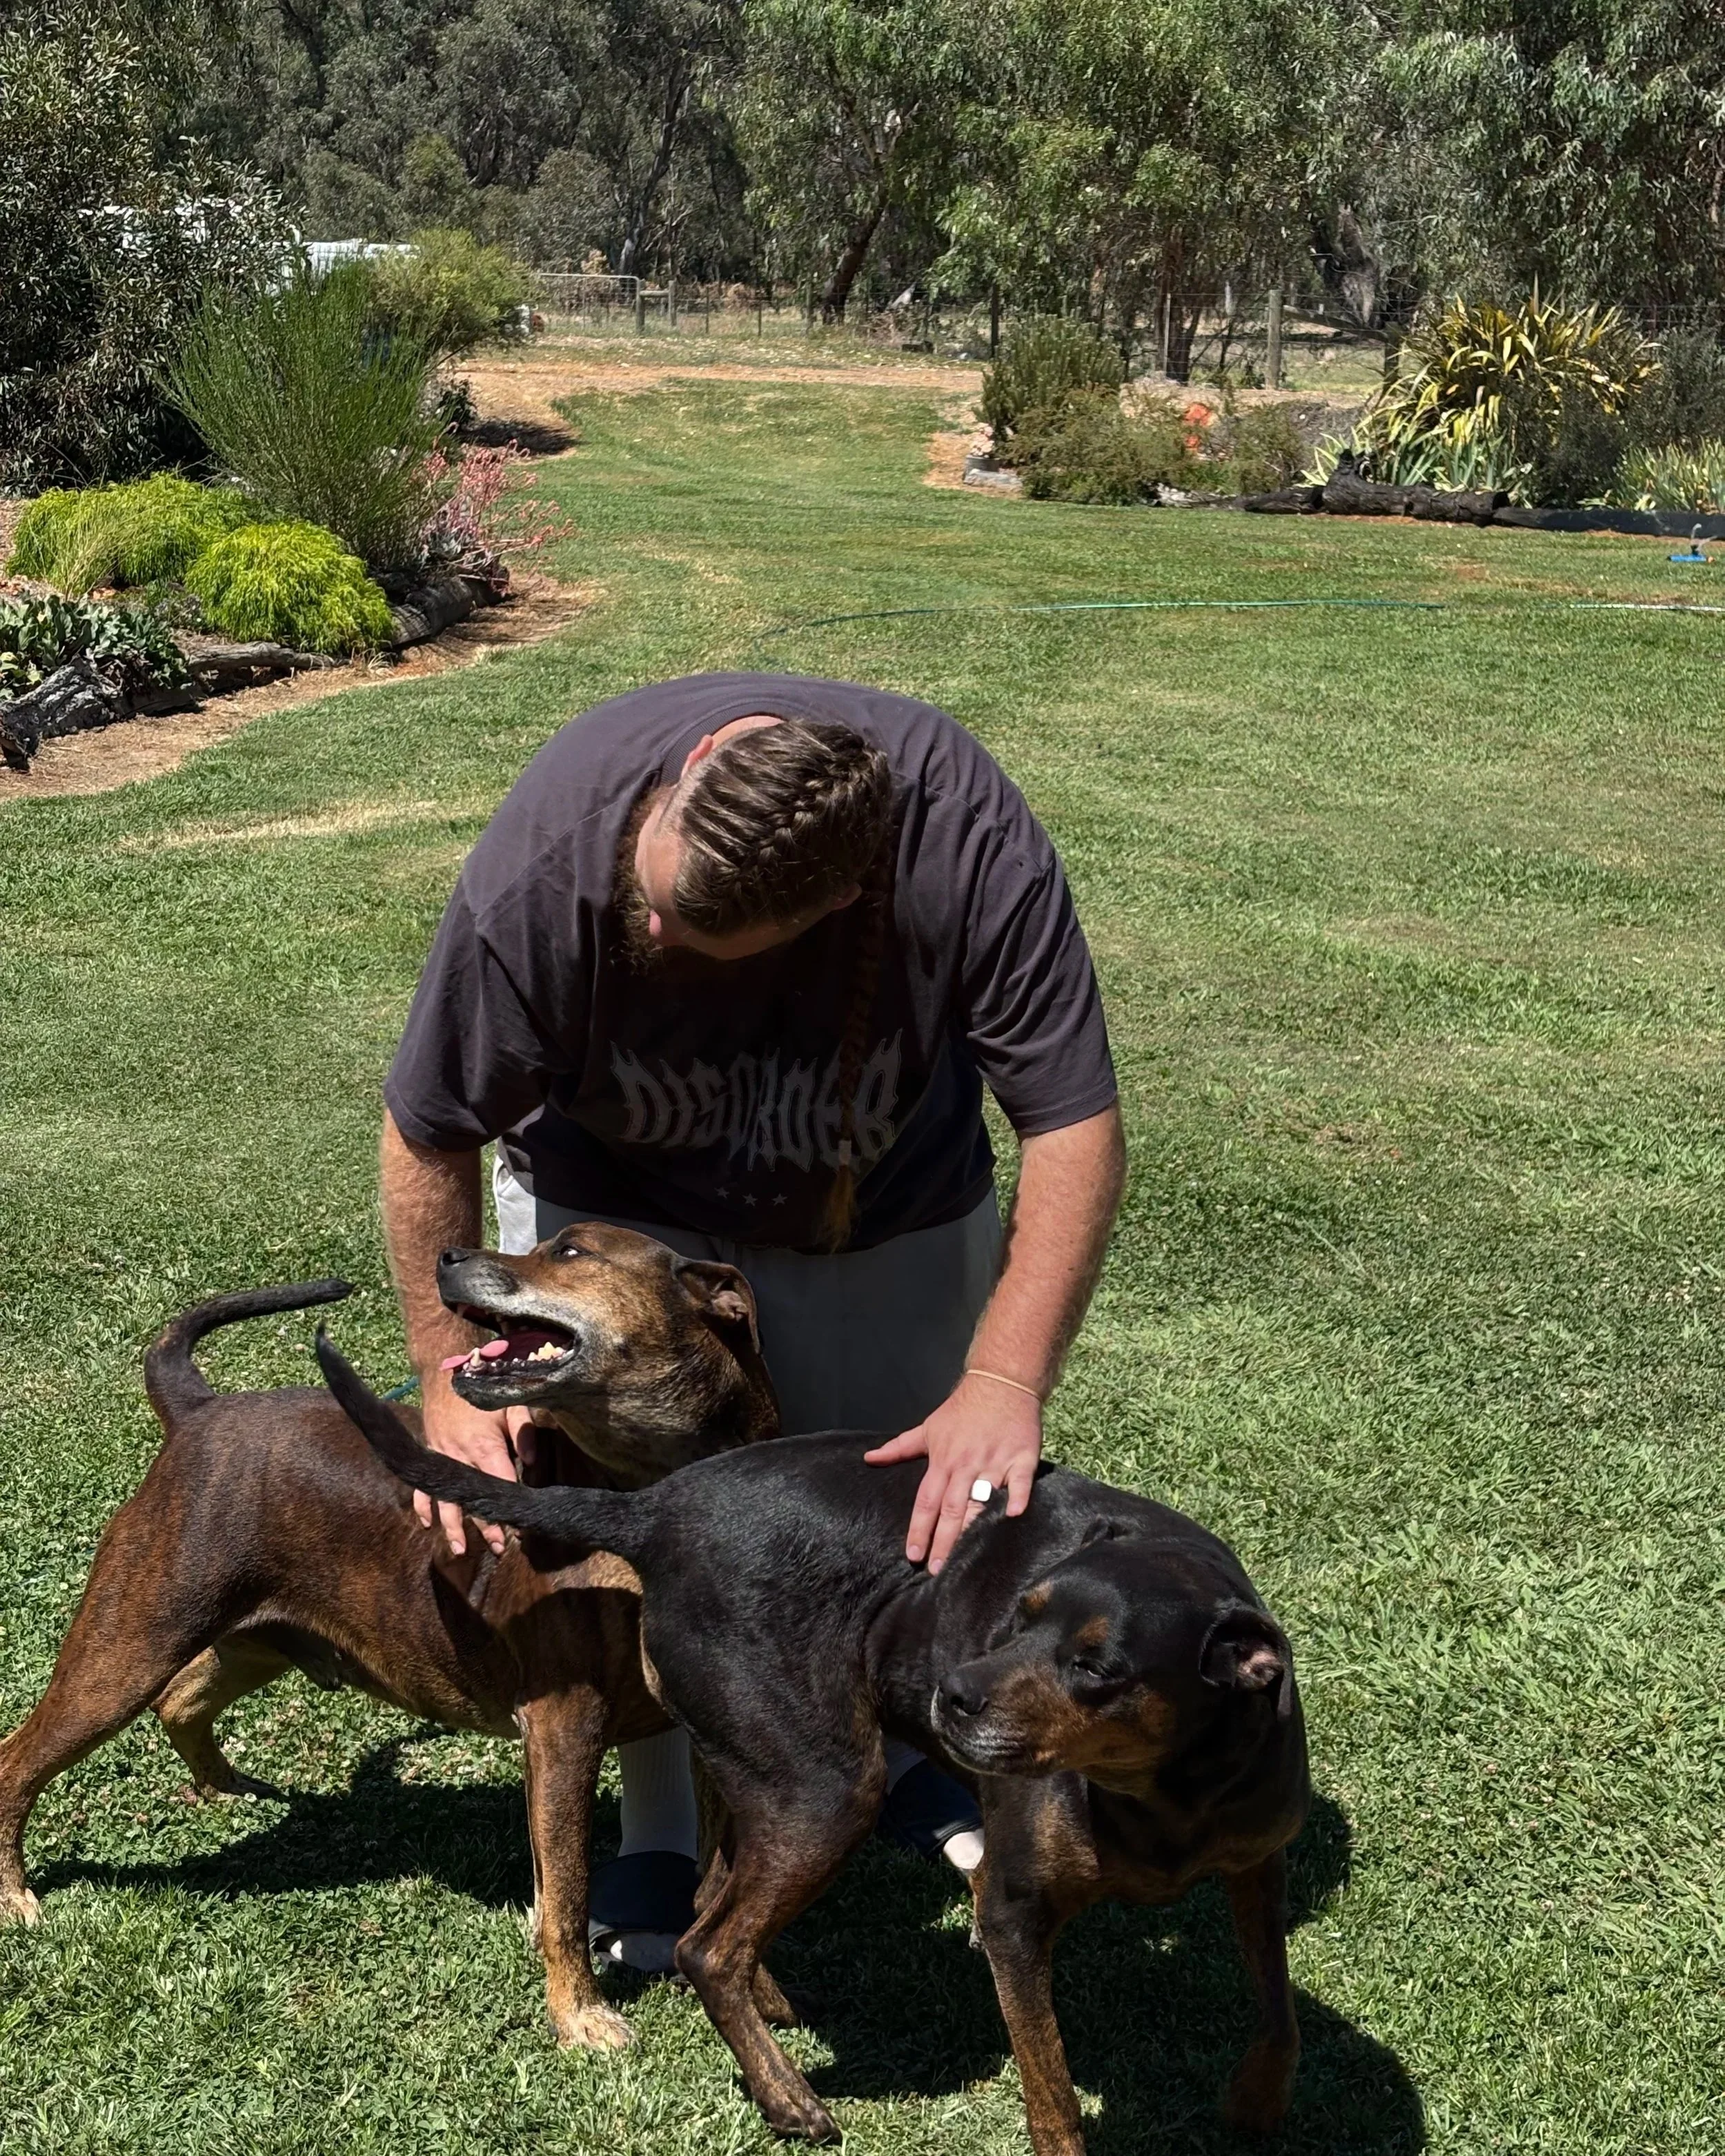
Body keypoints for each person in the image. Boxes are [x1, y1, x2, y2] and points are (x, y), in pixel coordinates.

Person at [380, 672, 1124, 1968]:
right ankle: (663, 1830)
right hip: (612, 1222)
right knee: (648, 1536)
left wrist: (1005, 1378)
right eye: (650, 902)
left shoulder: (964, 841)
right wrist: (446, 1368)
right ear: (698, 764)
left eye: (684, 936)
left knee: (907, 1512)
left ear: (837, 905)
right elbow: (427, 1126)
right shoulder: (550, 863)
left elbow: (1074, 1123)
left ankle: (898, 1759)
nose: (647, 930)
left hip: (885, 1212)